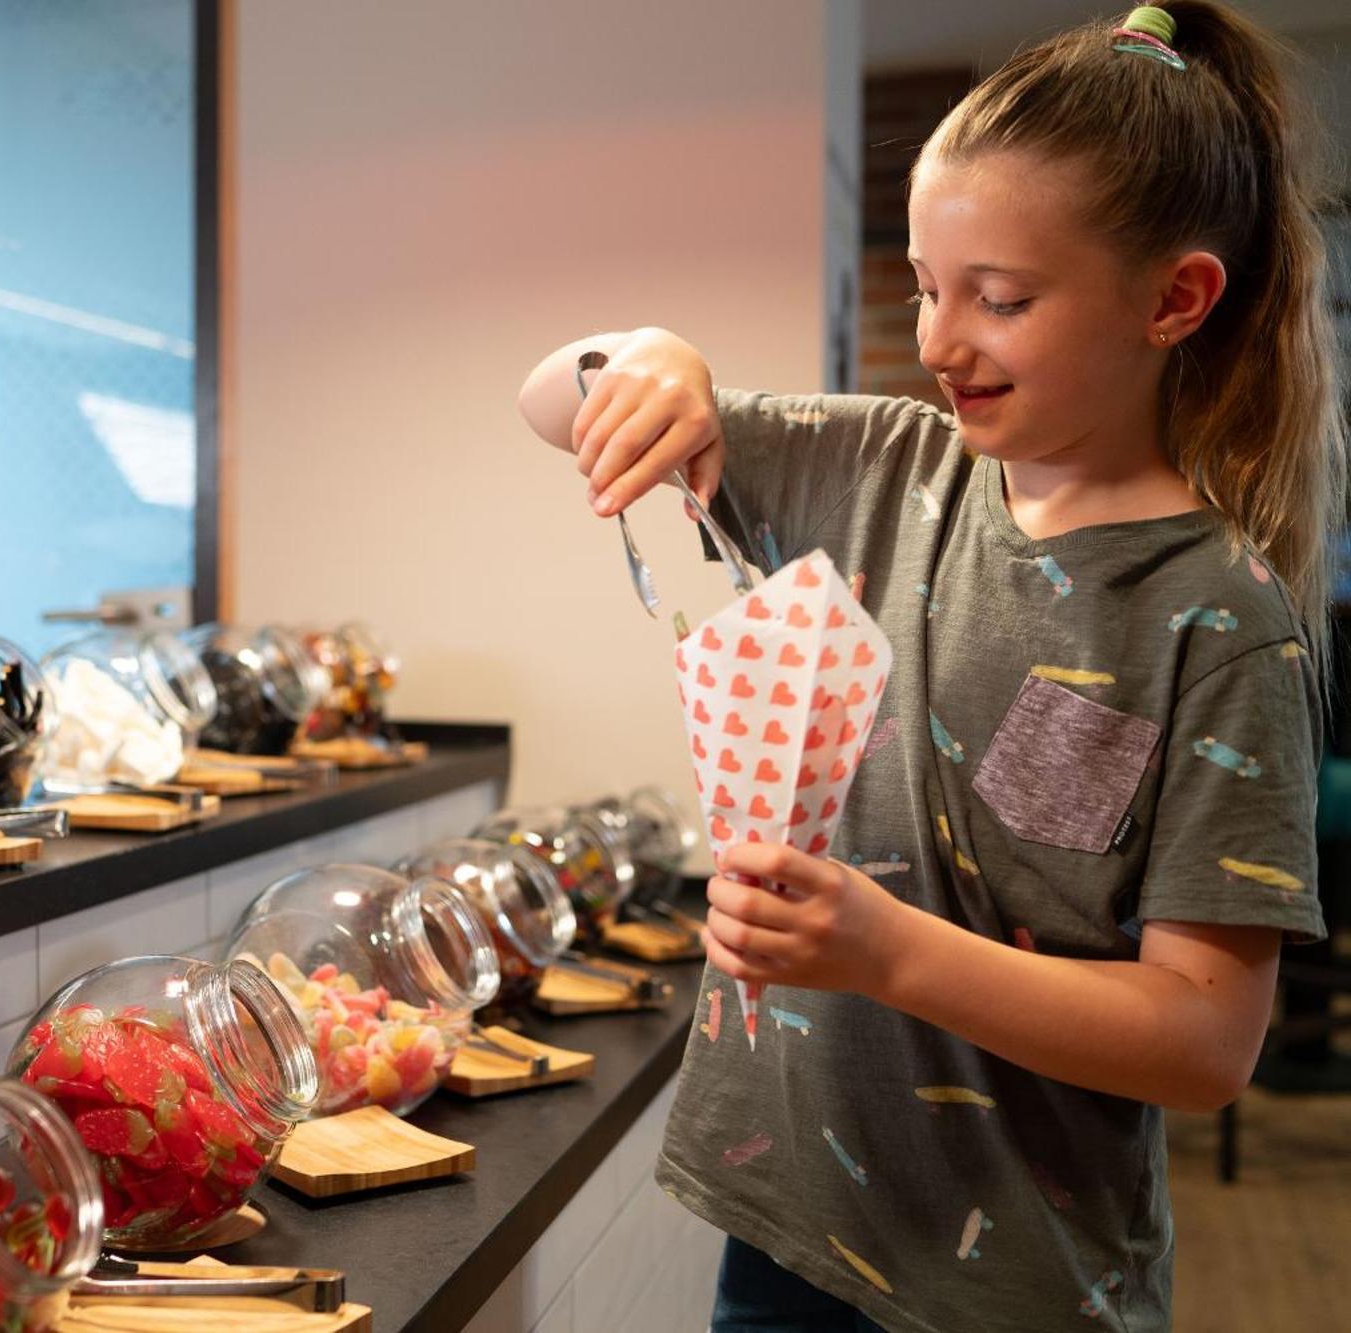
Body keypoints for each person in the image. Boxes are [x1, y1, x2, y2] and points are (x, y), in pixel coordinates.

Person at [515, 5, 1343, 1330]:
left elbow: (1204, 1040)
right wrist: (652, 363)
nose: (944, 337)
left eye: (1001, 298)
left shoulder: (1214, 615)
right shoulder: (882, 469)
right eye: (925, 284)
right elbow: (553, 399)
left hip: (1020, 1281)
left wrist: (887, 950)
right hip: (788, 1224)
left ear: (1174, 298)